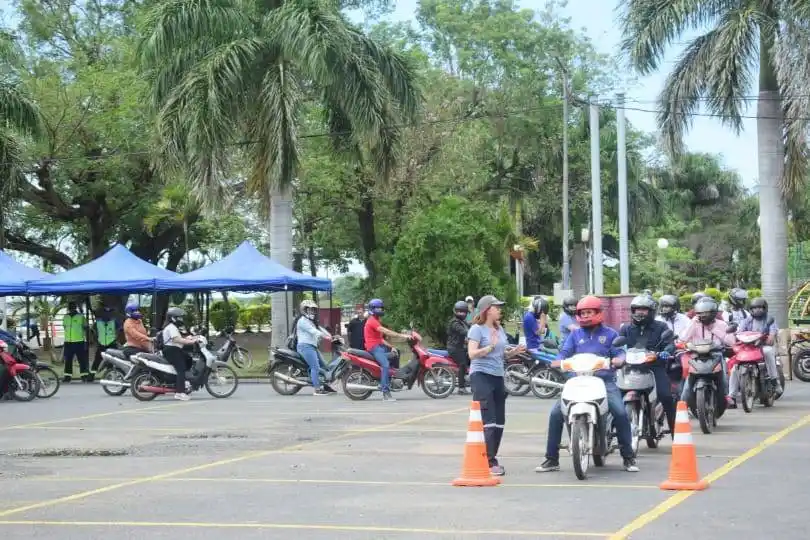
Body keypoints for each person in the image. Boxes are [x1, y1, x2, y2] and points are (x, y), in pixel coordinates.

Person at [536, 295, 639, 473]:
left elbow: (619, 352)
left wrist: (619, 359)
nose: (585, 316)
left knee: (620, 413)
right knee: (555, 413)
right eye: (582, 313)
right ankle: (551, 459)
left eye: (589, 312)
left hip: (604, 381)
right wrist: (558, 361)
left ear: (598, 312)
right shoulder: (575, 335)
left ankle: (628, 457)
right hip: (578, 380)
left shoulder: (610, 334)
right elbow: (564, 352)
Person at [467, 295, 526, 476]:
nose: (500, 310)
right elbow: (472, 354)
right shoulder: (477, 329)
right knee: (489, 419)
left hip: (497, 376)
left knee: (500, 421)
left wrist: (513, 352)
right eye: (496, 307)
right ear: (487, 310)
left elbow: (501, 355)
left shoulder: (499, 329)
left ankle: (492, 457)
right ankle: (489, 461)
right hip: (481, 375)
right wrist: (490, 347)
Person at [620, 295, 677, 434]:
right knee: (616, 396)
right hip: (630, 368)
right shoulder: (626, 328)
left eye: (644, 309)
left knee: (666, 396)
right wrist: (617, 356)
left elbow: (670, 344)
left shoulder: (661, 327)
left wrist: (665, 352)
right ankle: (612, 434)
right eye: (637, 309)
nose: (640, 312)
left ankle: (675, 432)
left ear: (651, 311)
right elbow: (618, 346)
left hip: (654, 367)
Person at [679, 296, 735, 404]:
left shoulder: (721, 324)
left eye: (706, 313)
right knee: (688, 381)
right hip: (697, 355)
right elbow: (683, 338)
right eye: (700, 313)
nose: (703, 316)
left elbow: (731, 342)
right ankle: (683, 403)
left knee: (723, 377)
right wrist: (692, 324)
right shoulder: (694, 323)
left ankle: (725, 395)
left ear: (713, 312)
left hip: (716, 354)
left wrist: (714, 329)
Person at [728, 297, 782, 405]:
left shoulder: (769, 319)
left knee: (768, 352)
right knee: (735, 367)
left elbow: (772, 334)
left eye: (760, 308)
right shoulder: (747, 320)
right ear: (751, 309)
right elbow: (740, 332)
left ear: (765, 308)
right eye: (754, 308)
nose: (757, 310)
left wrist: (770, 336)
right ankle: (731, 396)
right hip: (749, 347)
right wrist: (735, 335)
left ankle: (774, 381)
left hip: (763, 346)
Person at [363, 299, 410, 402]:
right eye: (377, 308)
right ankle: (385, 392)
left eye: (381, 308)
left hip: (379, 346)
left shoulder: (377, 320)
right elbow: (386, 331)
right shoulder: (372, 321)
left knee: (395, 353)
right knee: (385, 365)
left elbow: (380, 339)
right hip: (374, 348)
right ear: (372, 309)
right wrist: (402, 335)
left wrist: (392, 346)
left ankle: (392, 378)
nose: (380, 310)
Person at [295, 299, 336, 396]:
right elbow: (314, 331)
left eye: (313, 310)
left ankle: (325, 386)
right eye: (310, 309)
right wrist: (326, 337)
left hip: (312, 347)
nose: (312, 312)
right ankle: (317, 390)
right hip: (305, 347)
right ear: (304, 310)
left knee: (325, 366)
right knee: (315, 367)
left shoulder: (311, 321)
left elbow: (320, 329)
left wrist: (332, 336)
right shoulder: (302, 321)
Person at [161, 307, 198, 401]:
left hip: (174, 349)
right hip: (172, 350)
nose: (181, 319)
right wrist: (191, 341)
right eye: (179, 317)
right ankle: (179, 393)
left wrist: (189, 338)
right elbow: (177, 340)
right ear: (173, 318)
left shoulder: (172, 327)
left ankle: (183, 382)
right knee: (181, 369)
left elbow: (178, 338)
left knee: (188, 359)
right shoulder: (171, 327)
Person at [89, 304, 120, 381]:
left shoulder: (114, 322)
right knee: (97, 360)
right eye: (105, 313)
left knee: (111, 361)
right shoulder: (98, 323)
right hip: (101, 344)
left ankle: (109, 376)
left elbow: (119, 331)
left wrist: (116, 338)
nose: (107, 315)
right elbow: (93, 331)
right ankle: (91, 376)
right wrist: (96, 340)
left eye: (109, 313)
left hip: (112, 343)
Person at [447, 300, 471, 395]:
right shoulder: (454, 323)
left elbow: (470, 326)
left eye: (464, 312)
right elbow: (464, 332)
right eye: (460, 311)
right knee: (463, 364)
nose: (462, 313)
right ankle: (461, 388)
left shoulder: (462, 322)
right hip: (455, 348)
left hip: (461, 347)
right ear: (456, 311)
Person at [62, 301, 90, 383]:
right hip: (68, 342)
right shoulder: (66, 317)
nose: (71, 308)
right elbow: (65, 327)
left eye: (73, 307)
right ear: (69, 308)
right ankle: (67, 377)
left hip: (79, 341)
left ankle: (84, 376)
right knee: (68, 360)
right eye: (70, 307)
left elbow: (86, 327)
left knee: (81, 360)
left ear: (75, 307)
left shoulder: (81, 317)